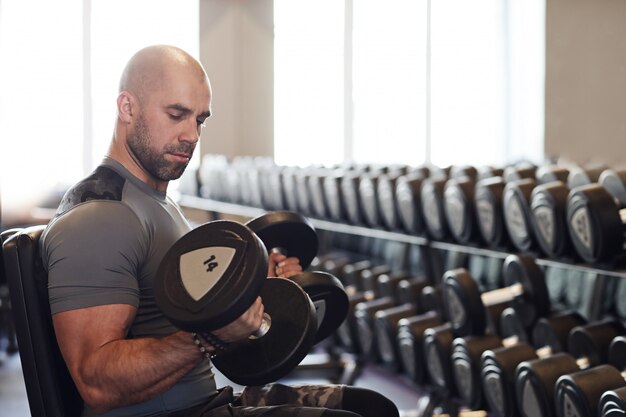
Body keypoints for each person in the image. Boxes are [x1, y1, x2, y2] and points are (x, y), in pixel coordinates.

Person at [41, 45, 399, 417]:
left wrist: (254, 295)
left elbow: (187, 326)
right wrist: (210, 336)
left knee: (372, 408)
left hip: (206, 400)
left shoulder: (155, 201)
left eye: (200, 120)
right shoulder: (101, 216)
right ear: (127, 108)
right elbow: (97, 381)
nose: (192, 135)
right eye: (177, 114)